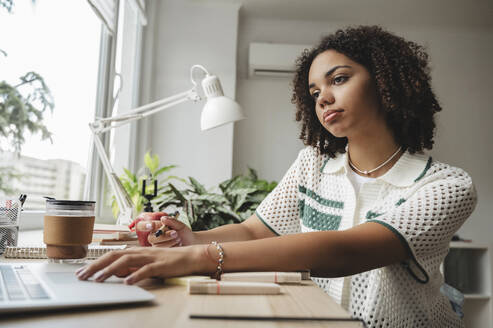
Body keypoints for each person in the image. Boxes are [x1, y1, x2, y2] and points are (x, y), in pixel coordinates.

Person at [77, 25, 477, 327]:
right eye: (314, 91)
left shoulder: (446, 185)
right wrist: (192, 238)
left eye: (338, 79)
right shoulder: (312, 163)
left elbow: (344, 251)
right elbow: (256, 231)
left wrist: (199, 256)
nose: (323, 97)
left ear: (386, 83)